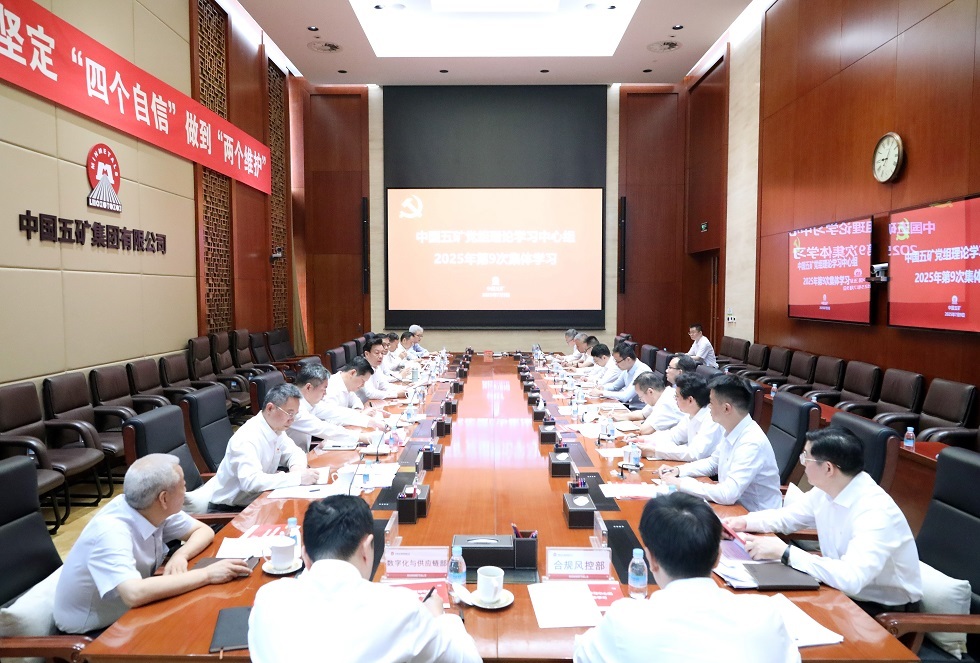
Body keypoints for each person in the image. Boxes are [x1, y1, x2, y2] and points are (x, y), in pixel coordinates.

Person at [249, 495, 482, 663]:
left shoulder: (268, 600)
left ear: (305, 557)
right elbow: (470, 659)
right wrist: (440, 618)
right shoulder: (400, 608)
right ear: (367, 548)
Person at [573, 492, 799, 663]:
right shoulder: (766, 615)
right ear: (718, 557)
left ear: (651, 559)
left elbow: (581, 654)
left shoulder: (624, 620)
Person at [725, 428, 923, 616]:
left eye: (806, 457)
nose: (803, 463)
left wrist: (785, 553)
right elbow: (786, 517)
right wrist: (742, 522)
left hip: (878, 609)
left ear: (828, 468)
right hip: (838, 588)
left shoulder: (875, 512)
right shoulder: (827, 490)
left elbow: (851, 579)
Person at [54, 454, 250, 634]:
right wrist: (207, 575)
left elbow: (203, 531)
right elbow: (134, 593)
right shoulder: (111, 531)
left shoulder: (151, 507)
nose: (186, 490)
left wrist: (180, 555)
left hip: (131, 610)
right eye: (183, 486)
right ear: (164, 498)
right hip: (94, 630)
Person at [659, 374, 781, 512]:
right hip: (733, 508)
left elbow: (728, 494)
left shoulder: (751, 442)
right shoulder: (731, 429)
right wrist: (679, 470)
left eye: (711, 402)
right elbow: (713, 463)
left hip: (754, 515)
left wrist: (681, 484)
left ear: (726, 408)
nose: (708, 407)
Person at [207, 383, 319, 509]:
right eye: (289, 413)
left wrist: (298, 469)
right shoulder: (247, 438)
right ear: (270, 408)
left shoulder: (275, 428)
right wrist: (295, 478)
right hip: (232, 509)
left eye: (295, 414)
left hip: (261, 498)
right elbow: (251, 482)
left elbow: (295, 452)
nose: (292, 420)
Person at [636, 372, 724, 462]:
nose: (675, 399)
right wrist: (643, 440)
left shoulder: (711, 419)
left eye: (677, 396)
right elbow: (674, 435)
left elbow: (694, 454)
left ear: (690, 400)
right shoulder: (690, 413)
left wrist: (655, 451)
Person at [288, 364, 374, 451]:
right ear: (309, 387)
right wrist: (361, 437)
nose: (325, 393)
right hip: (295, 457)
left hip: (305, 452)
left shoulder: (309, 402)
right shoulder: (294, 408)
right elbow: (322, 428)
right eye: (324, 389)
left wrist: (369, 421)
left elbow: (336, 412)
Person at [591, 342, 651, 406]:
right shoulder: (627, 368)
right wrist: (603, 387)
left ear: (628, 359)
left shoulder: (642, 372)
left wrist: (602, 393)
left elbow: (625, 396)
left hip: (637, 408)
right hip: (627, 405)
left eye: (617, 361)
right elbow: (615, 386)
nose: (616, 364)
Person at [359, 336, 408, 401]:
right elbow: (370, 393)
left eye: (382, 353)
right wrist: (396, 394)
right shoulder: (362, 368)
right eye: (377, 353)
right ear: (367, 354)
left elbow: (384, 386)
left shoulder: (376, 366)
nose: (380, 356)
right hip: (363, 405)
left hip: (374, 403)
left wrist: (406, 388)